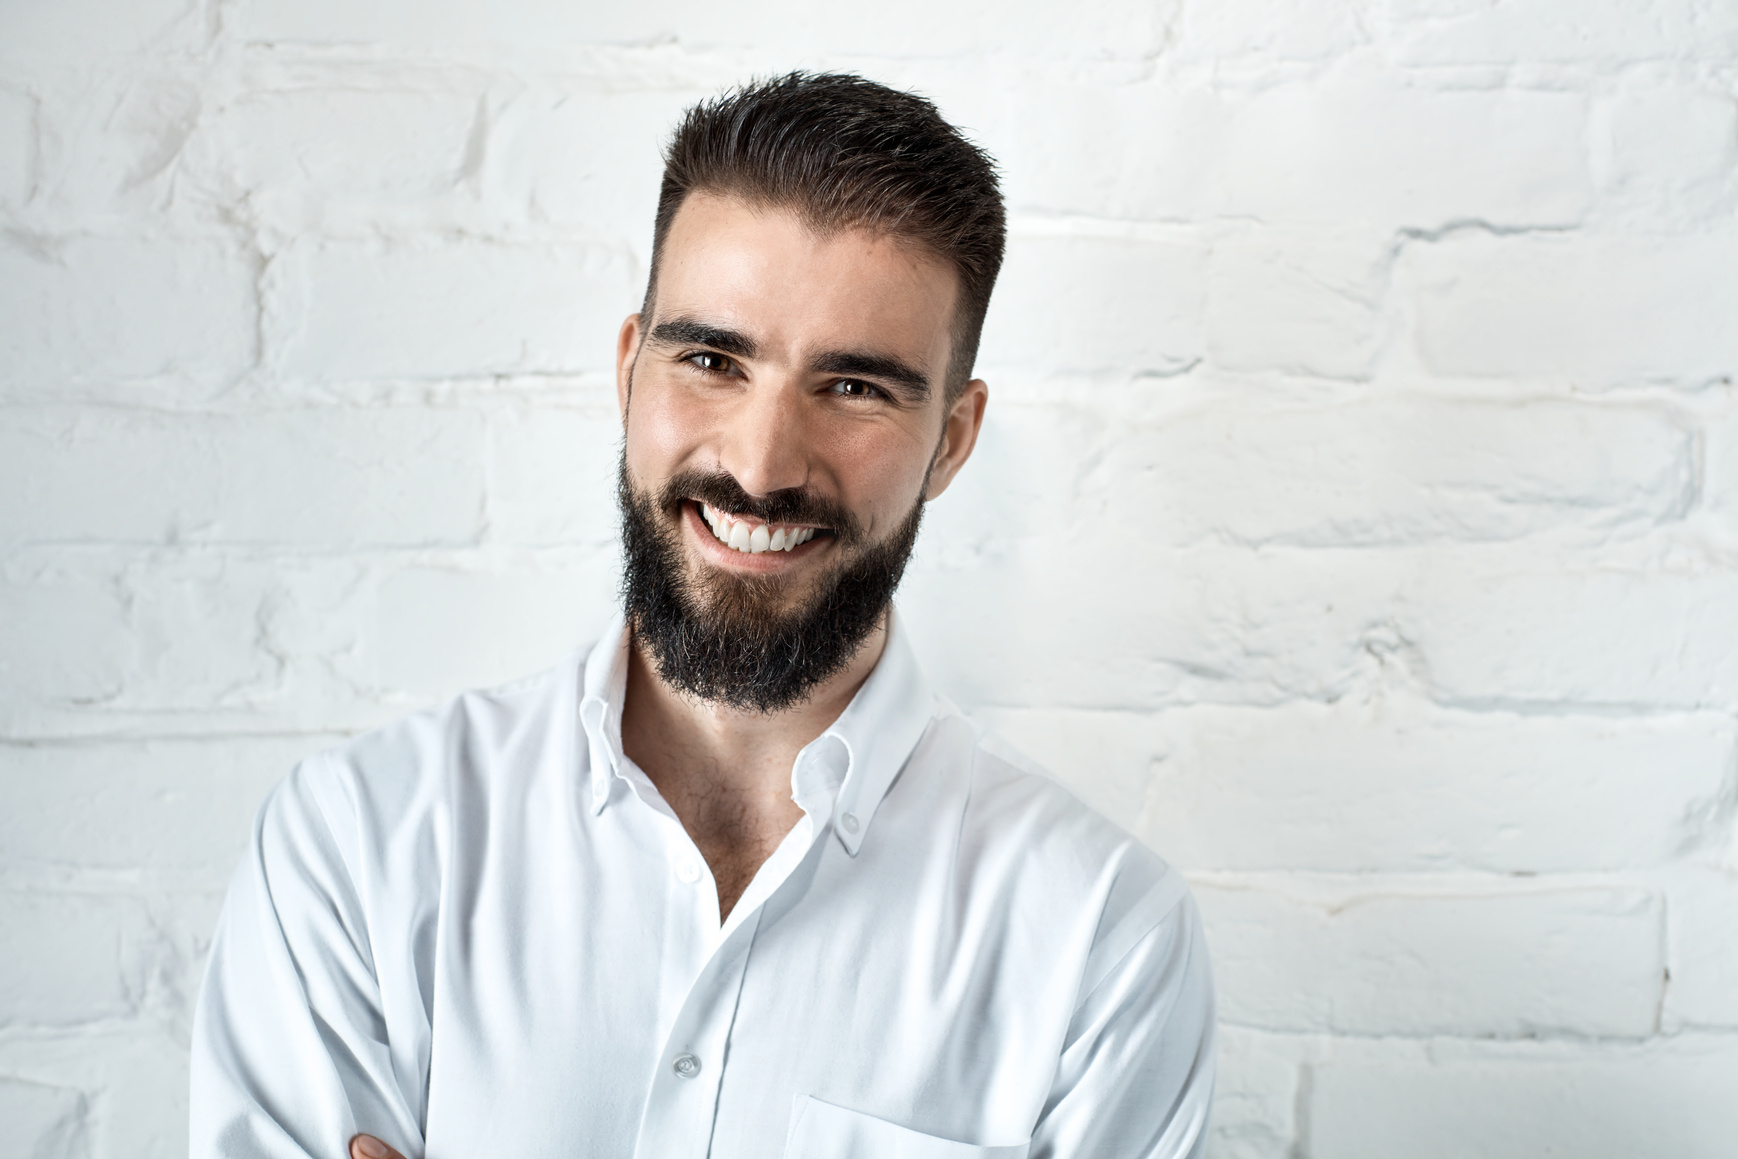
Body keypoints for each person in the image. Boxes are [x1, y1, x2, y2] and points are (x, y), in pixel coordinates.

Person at [189, 71, 1215, 1159]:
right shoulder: (358, 847)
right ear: (631, 370)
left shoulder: (1100, 937)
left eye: (856, 386)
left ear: (952, 440)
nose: (761, 467)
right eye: (712, 360)